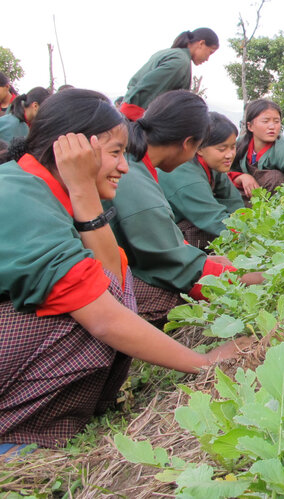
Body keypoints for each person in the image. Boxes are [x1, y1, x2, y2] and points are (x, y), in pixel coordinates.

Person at [0, 89, 244, 449]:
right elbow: (105, 312)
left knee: (109, 284)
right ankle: (13, 437)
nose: (124, 166)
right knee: (89, 312)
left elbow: (113, 274)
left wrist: (83, 193)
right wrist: (203, 361)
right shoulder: (20, 197)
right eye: (115, 153)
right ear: (72, 152)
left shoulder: (44, 186)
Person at [109, 91, 261, 324]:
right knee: (178, 302)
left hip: (113, 257)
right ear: (189, 144)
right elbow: (177, 265)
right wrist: (243, 277)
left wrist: (204, 259)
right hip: (91, 273)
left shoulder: (136, 162)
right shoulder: (134, 180)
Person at [158, 113, 244, 251]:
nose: (229, 155)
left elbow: (233, 201)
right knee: (206, 232)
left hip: (192, 215)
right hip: (161, 233)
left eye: (233, 147)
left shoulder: (213, 164)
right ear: (199, 148)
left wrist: (247, 221)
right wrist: (255, 237)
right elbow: (215, 219)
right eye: (222, 149)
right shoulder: (185, 176)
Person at [120, 28, 219, 121]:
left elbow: (134, 83)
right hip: (136, 118)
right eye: (210, 52)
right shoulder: (180, 62)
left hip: (128, 112)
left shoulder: (169, 53)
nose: (207, 59)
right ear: (201, 43)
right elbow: (148, 90)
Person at [231, 99, 284, 198]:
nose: (272, 127)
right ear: (250, 126)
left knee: (274, 177)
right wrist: (241, 177)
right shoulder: (239, 144)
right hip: (249, 194)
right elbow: (222, 171)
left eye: (276, 121)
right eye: (265, 121)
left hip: (279, 200)